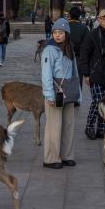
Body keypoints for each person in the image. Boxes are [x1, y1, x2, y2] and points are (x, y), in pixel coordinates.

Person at [41, 18, 80, 169]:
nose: (57, 35)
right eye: (55, 32)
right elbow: (46, 74)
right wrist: (49, 95)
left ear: (67, 34)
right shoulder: (49, 50)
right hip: (55, 92)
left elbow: (75, 71)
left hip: (69, 91)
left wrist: (78, 94)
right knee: (54, 126)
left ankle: (66, 155)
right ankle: (51, 158)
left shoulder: (69, 48)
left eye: (61, 32)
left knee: (68, 125)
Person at [79, 9, 105, 140]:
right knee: (98, 102)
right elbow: (84, 55)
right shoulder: (92, 35)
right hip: (95, 73)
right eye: (104, 19)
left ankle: (101, 129)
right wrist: (85, 74)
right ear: (99, 19)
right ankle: (89, 126)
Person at [68, 6, 90, 106]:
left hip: (66, 55)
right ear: (80, 16)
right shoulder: (84, 28)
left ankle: (67, 97)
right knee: (78, 77)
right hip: (79, 56)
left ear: (69, 15)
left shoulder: (65, 26)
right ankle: (76, 99)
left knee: (67, 76)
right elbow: (87, 45)